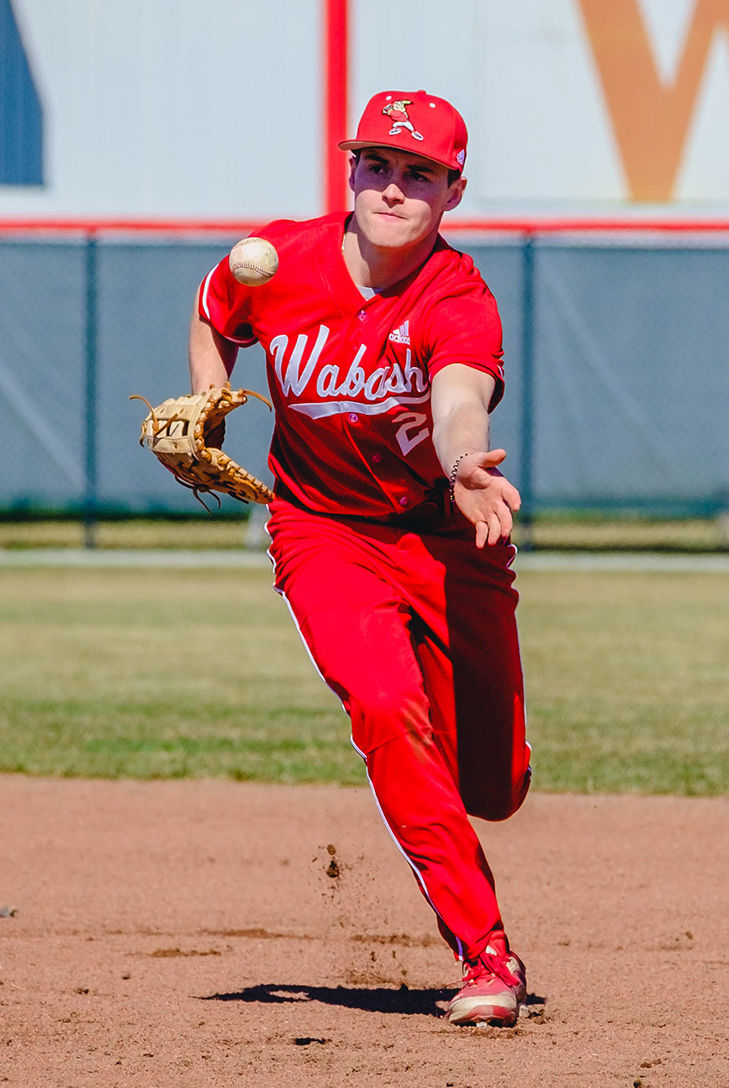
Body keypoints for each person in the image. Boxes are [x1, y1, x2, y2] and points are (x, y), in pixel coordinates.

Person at [189, 90, 531, 1027]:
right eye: (376, 164)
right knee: (387, 710)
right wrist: (209, 399)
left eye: (418, 172)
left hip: (445, 536)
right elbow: (217, 307)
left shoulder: (457, 297)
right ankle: (486, 956)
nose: (392, 186)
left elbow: (462, 396)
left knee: (492, 788)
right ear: (349, 171)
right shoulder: (279, 259)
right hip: (323, 532)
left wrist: (464, 463)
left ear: (453, 192)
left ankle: (481, 788)